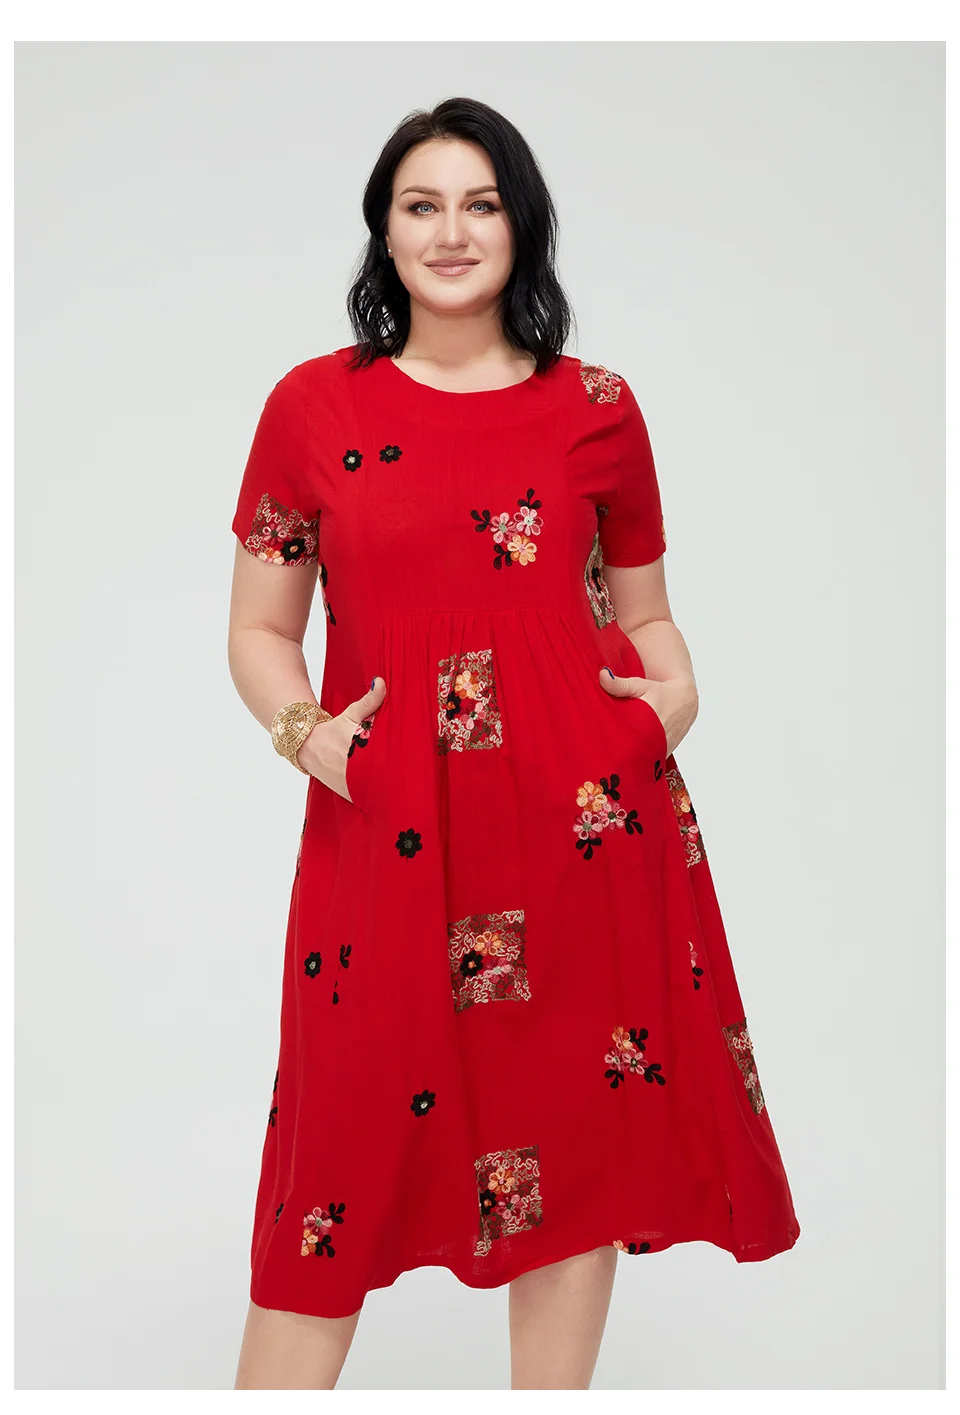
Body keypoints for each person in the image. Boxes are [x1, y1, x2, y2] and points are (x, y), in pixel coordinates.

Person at [227, 97, 800, 1391]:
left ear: (521, 225)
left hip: (578, 834)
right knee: (334, 1172)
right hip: (388, 826)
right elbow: (260, 626)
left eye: (481, 204)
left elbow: (644, 611)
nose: (452, 231)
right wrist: (311, 736)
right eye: (422, 205)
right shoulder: (312, 406)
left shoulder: (597, 406)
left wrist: (670, 698)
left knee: (571, 1149)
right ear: (384, 231)